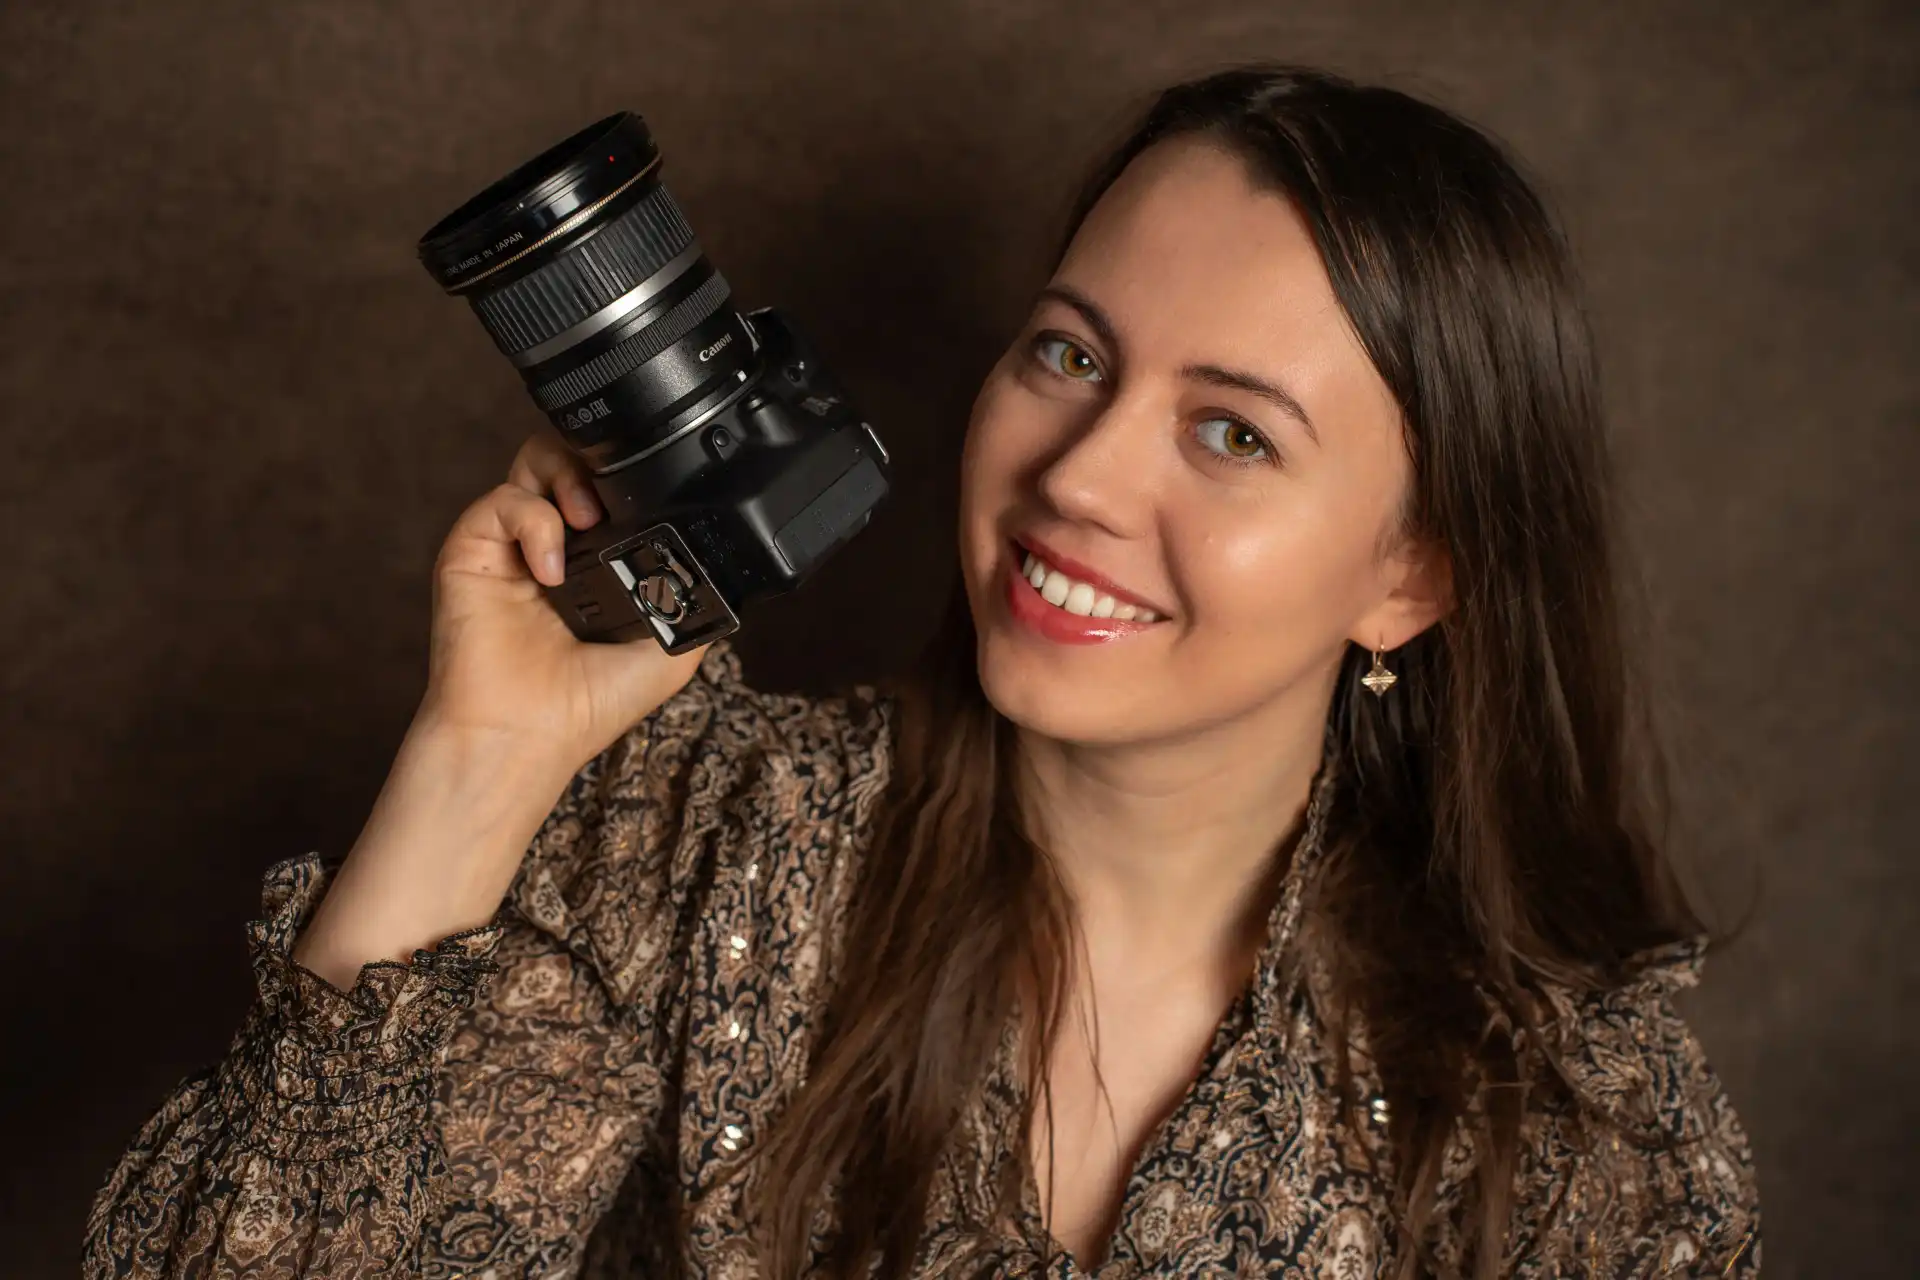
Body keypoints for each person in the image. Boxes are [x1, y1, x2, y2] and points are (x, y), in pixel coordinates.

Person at [83, 64, 1760, 1279]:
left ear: (1412, 575)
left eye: (1234, 433)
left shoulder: (1579, 1120)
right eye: (1071, 354)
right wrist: (482, 755)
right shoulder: (689, 840)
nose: (1082, 476)